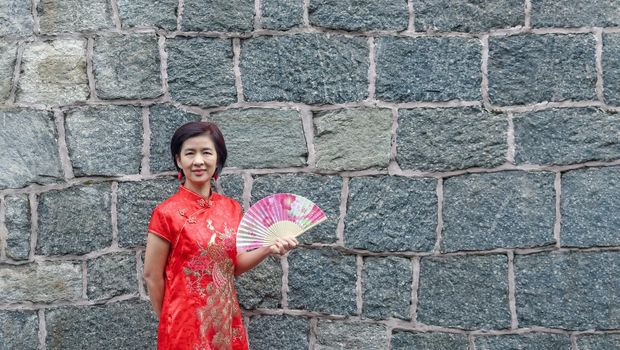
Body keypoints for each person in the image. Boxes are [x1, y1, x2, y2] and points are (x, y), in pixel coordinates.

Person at [143, 121, 298, 349]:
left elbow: (233, 266)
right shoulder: (166, 213)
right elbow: (151, 276)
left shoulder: (232, 209)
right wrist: (168, 319)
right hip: (182, 324)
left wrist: (268, 248)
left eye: (206, 152)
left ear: (217, 159)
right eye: (190, 153)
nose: (198, 161)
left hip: (225, 320)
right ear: (178, 160)